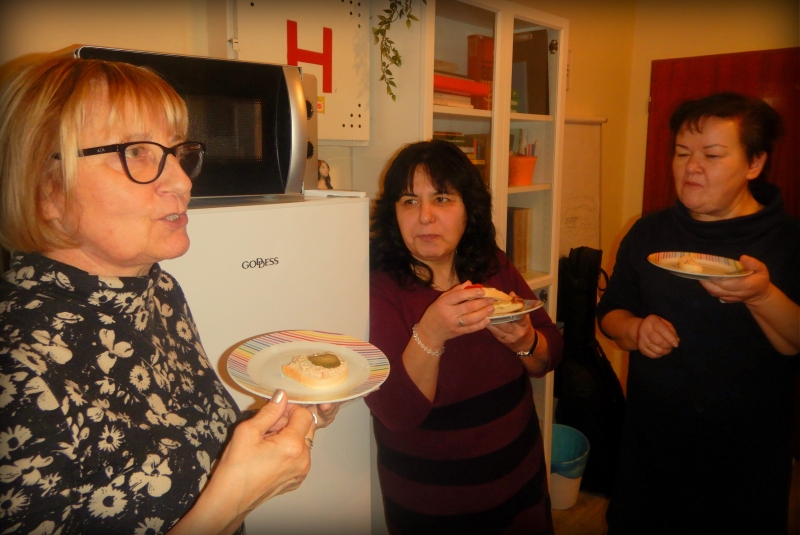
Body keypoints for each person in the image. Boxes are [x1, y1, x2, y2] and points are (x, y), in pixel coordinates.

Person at [0, 55, 338, 534]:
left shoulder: (157, 290)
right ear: (46, 190)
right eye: (136, 152)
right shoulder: (16, 370)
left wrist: (280, 419)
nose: (182, 181)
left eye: (177, 152)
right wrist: (233, 498)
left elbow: (180, 443)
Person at [597, 92, 800, 534]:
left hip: (745, 457)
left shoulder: (788, 240)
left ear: (754, 163)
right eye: (682, 152)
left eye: (711, 154)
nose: (691, 167)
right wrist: (635, 329)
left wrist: (761, 295)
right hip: (652, 446)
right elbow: (611, 312)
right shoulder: (649, 231)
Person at [365, 139, 564, 534]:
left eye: (442, 199)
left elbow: (550, 354)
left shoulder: (491, 265)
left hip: (521, 483)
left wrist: (524, 341)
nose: (425, 217)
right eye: (409, 201)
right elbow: (397, 414)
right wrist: (432, 332)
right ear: (393, 214)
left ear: (468, 208)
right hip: (436, 507)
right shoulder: (378, 289)